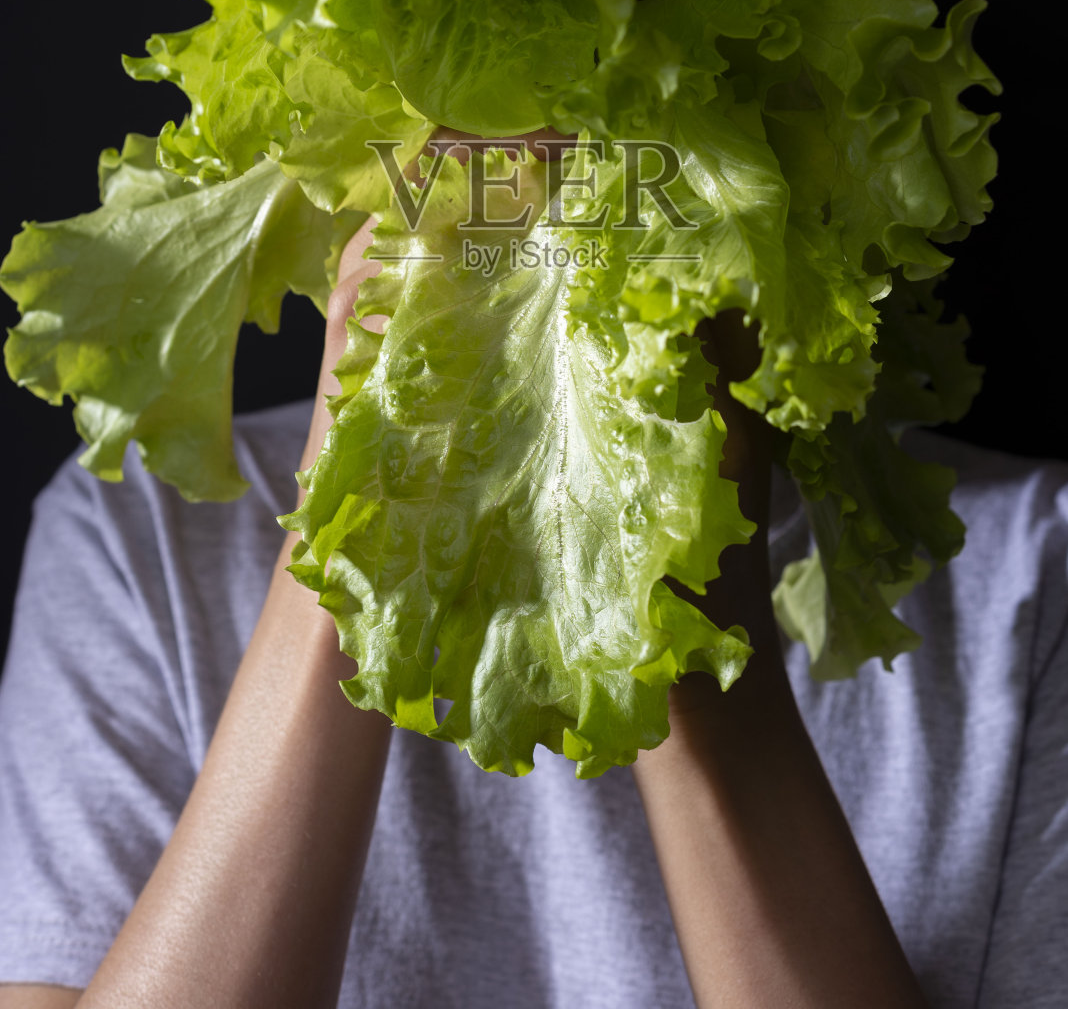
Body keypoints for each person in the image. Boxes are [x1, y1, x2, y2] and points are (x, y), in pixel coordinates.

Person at [0, 137, 1065, 1008]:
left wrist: (691, 621)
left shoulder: (1030, 569)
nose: (545, 160)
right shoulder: (141, 542)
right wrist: (353, 526)